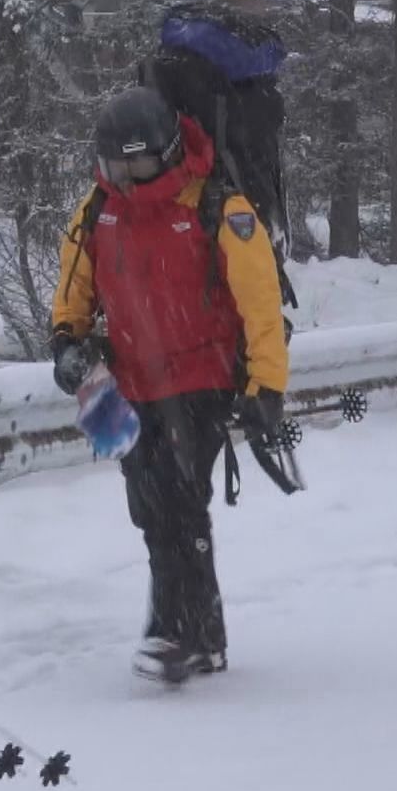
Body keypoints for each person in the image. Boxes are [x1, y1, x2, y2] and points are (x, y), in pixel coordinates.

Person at [50, 86, 289, 686]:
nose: (122, 180)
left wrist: (266, 386)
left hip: (201, 379)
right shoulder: (97, 211)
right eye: (112, 166)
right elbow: (75, 285)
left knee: (179, 502)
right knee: (149, 507)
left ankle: (177, 631)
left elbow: (260, 305)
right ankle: (199, 636)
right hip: (129, 383)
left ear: (167, 153)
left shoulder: (217, 207)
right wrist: (66, 341)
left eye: (133, 166)